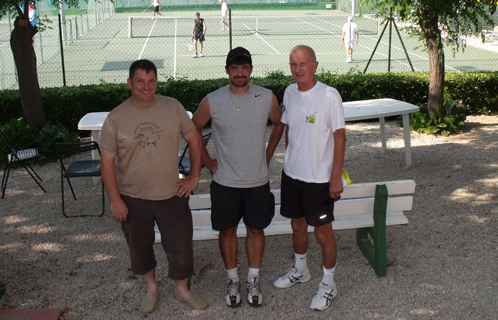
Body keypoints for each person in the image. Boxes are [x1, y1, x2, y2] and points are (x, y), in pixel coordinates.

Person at [100, 59, 208, 314]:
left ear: (156, 82)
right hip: (132, 197)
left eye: (151, 81)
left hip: (172, 193)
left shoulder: (173, 107)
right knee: (139, 248)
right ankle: (152, 287)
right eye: (140, 81)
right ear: (129, 83)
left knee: (181, 246)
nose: (146, 87)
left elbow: (194, 139)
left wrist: (194, 177)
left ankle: (182, 289)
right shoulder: (115, 118)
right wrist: (115, 200)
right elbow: (107, 163)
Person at [192, 47, 284, 308]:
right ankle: (232, 278)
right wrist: (206, 159)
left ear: (251, 70)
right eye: (235, 68)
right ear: (227, 71)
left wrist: (267, 154)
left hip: (257, 181)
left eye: (244, 68)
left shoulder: (266, 97)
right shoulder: (212, 100)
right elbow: (193, 128)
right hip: (225, 182)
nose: (240, 73)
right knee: (227, 230)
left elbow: (279, 123)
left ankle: (253, 279)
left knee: (256, 229)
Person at [273, 45, 346, 311]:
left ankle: (329, 284)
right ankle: (300, 270)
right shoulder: (289, 93)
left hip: (319, 180)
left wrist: (335, 177)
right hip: (292, 174)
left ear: (315, 65)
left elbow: (340, 137)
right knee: (297, 226)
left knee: (324, 236)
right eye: (293, 64)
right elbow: (289, 129)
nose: (298, 69)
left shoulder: (329, 95)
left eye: (303, 64)